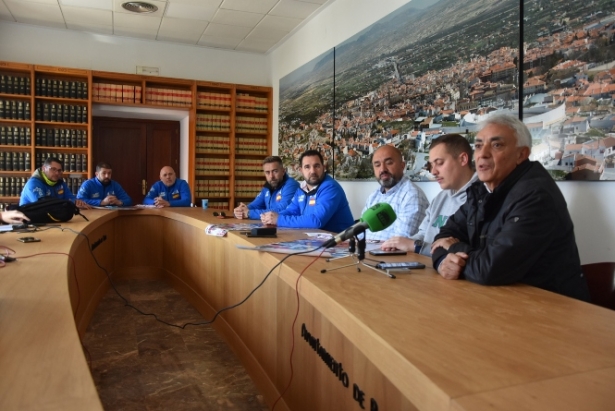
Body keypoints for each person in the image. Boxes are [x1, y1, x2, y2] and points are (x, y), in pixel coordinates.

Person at [431, 114, 590, 301]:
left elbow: (490, 269)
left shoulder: (536, 196)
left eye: (496, 145)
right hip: (498, 300)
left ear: (521, 155)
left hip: (549, 308)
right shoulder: (483, 190)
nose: (483, 154)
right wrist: (442, 261)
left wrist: (454, 247)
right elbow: (442, 236)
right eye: (479, 145)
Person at [381, 134, 478, 256]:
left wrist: (416, 246)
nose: (433, 171)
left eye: (440, 163)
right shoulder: (440, 198)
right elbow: (423, 234)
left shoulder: (482, 199)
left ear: (463, 159)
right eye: (432, 165)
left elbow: (467, 255)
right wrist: (399, 244)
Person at [260, 150, 354, 232]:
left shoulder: (331, 188)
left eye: (316, 166)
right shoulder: (302, 189)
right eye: (307, 167)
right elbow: (292, 211)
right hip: (315, 239)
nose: (312, 171)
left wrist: (279, 219)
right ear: (301, 170)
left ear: (323, 168)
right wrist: (271, 217)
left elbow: (316, 221)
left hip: (340, 244)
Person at [361, 145, 428, 241]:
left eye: (389, 163)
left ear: (402, 166)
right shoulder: (374, 196)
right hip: (366, 251)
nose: (383, 169)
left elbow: (399, 243)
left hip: (389, 254)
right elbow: (361, 232)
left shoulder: (411, 195)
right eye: (377, 165)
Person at [234, 156, 299, 219]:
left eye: (275, 171)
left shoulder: (291, 185)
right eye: (267, 172)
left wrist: (249, 213)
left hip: (287, 228)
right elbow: (255, 205)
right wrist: (241, 210)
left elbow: (282, 209)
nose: (271, 176)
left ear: (283, 171)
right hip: (271, 225)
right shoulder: (267, 186)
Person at [19, 157, 89, 208]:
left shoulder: (60, 183)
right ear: (43, 168)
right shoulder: (34, 183)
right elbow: (42, 205)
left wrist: (76, 202)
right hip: (31, 222)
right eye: (53, 169)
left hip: (52, 218)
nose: (57, 173)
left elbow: (70, 197)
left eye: (59, 170)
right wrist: (67, 203)